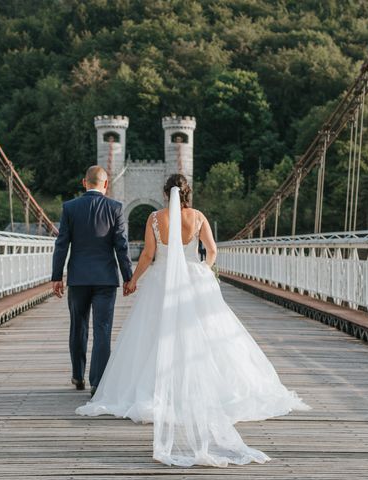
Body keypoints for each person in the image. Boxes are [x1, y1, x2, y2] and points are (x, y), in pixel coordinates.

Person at [76, 173, 310, 467]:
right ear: (188, 192)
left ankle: (156, 388)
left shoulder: (154, 218)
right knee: (204, 336)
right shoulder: (198, 216)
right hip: (193, 282)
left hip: (161, 282)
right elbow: (212, 251)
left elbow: (148, 255)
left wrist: (133, 280)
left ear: (166, 193)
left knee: (154, 335)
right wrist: (201, 271)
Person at [51, 166, 133, 397]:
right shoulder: (115, 208)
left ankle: (78, 375)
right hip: (106, 279)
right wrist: (128, 277)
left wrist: (57, 276)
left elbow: (62, 244)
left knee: (78, 326)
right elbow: (121, 246)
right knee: (102, 329)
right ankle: (98, 382)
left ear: (84, 182)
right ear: (106, 184)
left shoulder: (70, 207)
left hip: (78, 278)